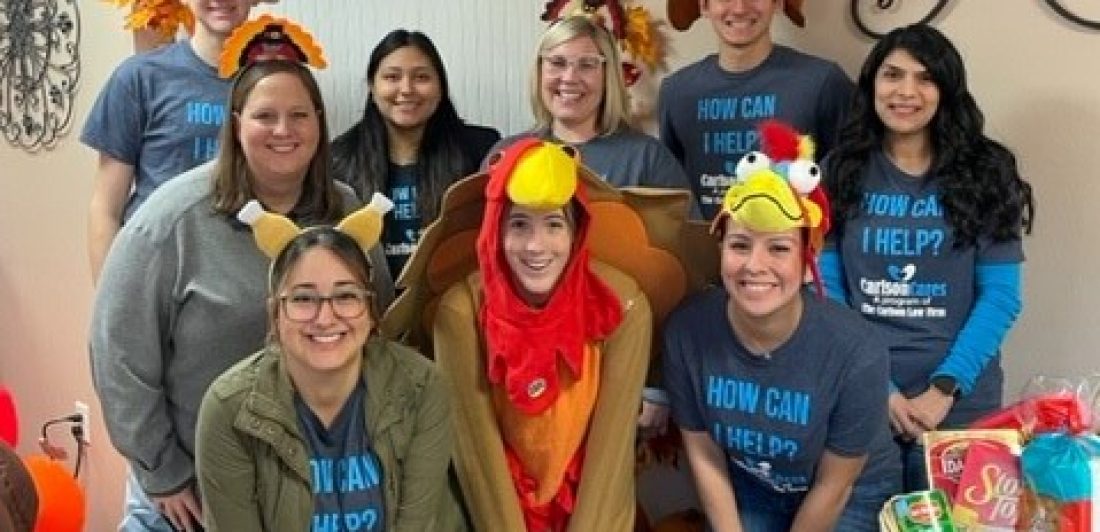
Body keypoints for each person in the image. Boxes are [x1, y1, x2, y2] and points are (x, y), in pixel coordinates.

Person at [90, 21, 394, 530]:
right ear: (235, 125)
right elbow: (117, 352)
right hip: (190, 495)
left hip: (315, 491)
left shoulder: (349, 214)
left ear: (319, 124)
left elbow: (382, 332)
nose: (283, 130)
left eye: (299, 115)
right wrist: (161, 472)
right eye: (265, 116)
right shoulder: (170, 223)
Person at [820, 24, 1035, 491]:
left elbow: (1001, 297)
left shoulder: (987, 171)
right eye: (892, 75)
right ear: (872, 84)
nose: (906, 91)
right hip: (860, 395)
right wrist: (880, 390)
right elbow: (827, 291)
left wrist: (944, 389)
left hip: (960, 406)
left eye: (925, 78)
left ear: (946, 89)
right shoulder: (839, 170)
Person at [663, 121, 900, 531]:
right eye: (739, 245)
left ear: (807, 260)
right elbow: (703, 454)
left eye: (778, 248)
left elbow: (835, 486)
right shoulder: (686, 331)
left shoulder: (858, 352)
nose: (755, 266)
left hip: (852, 497)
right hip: (753, 489)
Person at [429, 139, 652, 530]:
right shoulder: (461, 313)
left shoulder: (621, 306)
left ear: (576, 231)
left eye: (553, 224)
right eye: (519, 224)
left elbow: (610, 460)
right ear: (495, 231)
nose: (536, 246)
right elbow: (477, 458)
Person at [196, 201, 452, 531]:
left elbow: (418, 525)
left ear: (371, 311)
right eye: (303, 299)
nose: (325, 317)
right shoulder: (228, 410)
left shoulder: (422, 388)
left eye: (346, 296)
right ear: (275, 313)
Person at [82, 0, 253, 281]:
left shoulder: (276, 80)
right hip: (155, 276)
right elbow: (105, 208)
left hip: (241, 278)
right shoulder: (139, 77)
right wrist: (111, 304)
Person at [658, 0, 853, 220]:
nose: (740, 8)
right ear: (704, 6)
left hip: (794, 249)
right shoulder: (676, 92)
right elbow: (670, 191)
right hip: (702, 251)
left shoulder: (822, 82)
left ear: (778, 3)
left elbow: (851, 178)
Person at [331, 29, 500, 277]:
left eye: (421, 77)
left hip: (457, 306)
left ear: (440, 87)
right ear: (372, 86)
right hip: (370, 307)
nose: (407, 89)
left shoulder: (481, 149)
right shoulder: (339, 158)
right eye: (392, 77)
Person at [495, 15, 696, 216]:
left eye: (587, 65)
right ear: (539, 71)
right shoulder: (507, 155)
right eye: (557, 62)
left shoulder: (646, 158)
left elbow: (687, 242)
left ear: (608, 76)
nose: (569, 78)